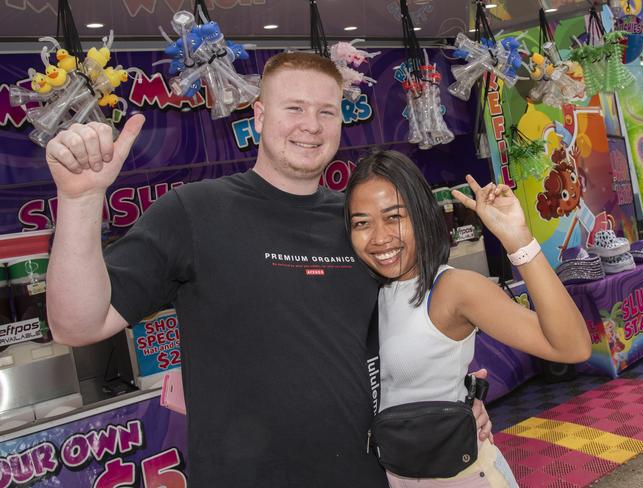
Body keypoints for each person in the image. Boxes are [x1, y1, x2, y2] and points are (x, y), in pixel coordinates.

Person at [44, 52, 491, 487]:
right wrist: (80, 200)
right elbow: (75, 325)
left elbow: (408, 332)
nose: (311, 125)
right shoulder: (195, 212)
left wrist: (452, 398)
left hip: (367, 472)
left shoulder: (359, 225)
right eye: (293, 108)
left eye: (327, 111)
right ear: (259, 115)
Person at [344, 150, 592, 487]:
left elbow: (571, 347)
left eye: (394, 217)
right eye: (362, 222)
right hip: (390, 474)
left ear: (420, 215)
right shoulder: (358, 293)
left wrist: (518, 240)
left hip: (459, 476)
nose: (379, 237)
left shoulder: (452, 289)